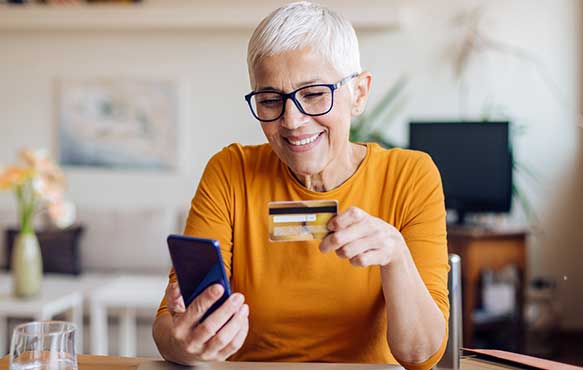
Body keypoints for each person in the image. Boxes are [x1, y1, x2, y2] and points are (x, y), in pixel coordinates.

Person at [152, 2, 449, 369]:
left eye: (313, 94)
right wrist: (188, 345)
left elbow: (421, 354)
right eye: (270, 100)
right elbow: (169, 324)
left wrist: (396, 257)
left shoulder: (410, 176)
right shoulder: (230, 172)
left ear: (358, 93)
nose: (292, 121)